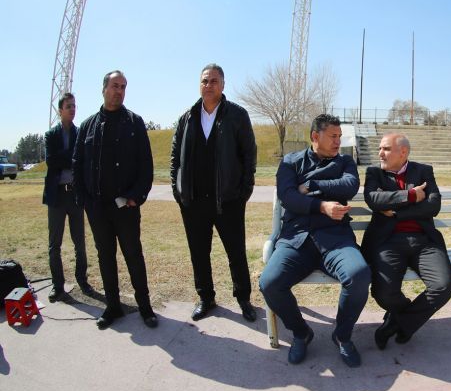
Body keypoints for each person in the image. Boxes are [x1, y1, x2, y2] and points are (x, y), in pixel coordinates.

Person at [259, 114, 371, 367]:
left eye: (340, 136)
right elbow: (288, 197)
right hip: (297, 239)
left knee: (359, 274)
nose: (338, 141)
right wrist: (321, 206)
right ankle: (301, 333)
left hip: (335, 239)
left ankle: (342, 336)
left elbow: (349, 185)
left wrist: (311, 184)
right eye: (333, 136)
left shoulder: (344, 161)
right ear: (315, 136)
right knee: (269, 283)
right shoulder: (291, 162)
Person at [170, 64, 257, 323]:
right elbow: (175, 158)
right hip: (194, 202)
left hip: (228, 200)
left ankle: (243, 298)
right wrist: (179, 191)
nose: (208, 85)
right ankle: (205, 298)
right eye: (205, 81)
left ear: (223, 85)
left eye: (214, 81)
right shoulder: (187, 118)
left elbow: (249, 155)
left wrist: (243, 193)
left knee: (236, 253)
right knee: (199, 253)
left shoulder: (237, 115)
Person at [72, 70, 158, 329]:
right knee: (105, 257)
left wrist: (136, 197)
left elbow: (146, 165)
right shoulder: (87, 126)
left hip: (125, 207)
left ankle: (145, 307)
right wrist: (84, 200)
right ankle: (112, 306)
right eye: (115, 86)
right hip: (97, 207)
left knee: (133, 255)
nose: (119, 91)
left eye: (123, 87)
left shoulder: (134, 122)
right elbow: (77, 165)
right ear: (104, 89)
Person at [362, 133, 451, 349]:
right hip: (387, 242)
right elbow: (373, 199)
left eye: (386, 149)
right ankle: (405, 317)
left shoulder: (423, 171)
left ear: (403, 152)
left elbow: (433, 205)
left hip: (424, 241)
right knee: (383, 293)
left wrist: (396, 213)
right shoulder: (374, 172)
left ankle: (397, 323)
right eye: (380, 148)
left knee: (444, 286)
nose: (380, 153)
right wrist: (411, 195)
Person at [43, 93, 93, 302]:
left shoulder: (79, 133)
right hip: (56, 196)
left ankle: (82, 281)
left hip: (74, 195)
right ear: (60, 110)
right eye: (68, 106)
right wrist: (71, 156)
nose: (72, 109)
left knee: (79, 242)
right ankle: (58, 286)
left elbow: (81, 161)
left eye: (74, 106)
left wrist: (67, 157)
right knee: (54, 245)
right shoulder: (50, 135)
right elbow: (51, 161)